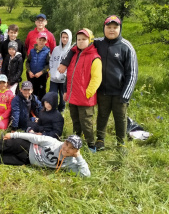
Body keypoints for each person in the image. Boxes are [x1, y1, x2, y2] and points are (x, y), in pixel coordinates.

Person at [59, 15, 138, 151]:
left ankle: (120, 143)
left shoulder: (126, 47)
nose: (111, 30)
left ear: (120, 28)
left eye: (115, 27)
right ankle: (100, 139)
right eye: (109, 27)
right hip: (101, 90)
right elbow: (76, 46)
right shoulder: (98, 42)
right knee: (102, 115)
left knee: (120, 117)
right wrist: (65, 62)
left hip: (119, 91)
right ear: (104, 28)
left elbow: (132, 73)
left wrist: (126, 93)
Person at [0, 134, 91, 177]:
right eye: (67, 144)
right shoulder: (53, 142)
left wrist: (79, 158)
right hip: (24, 146)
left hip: (25, 160)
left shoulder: (72, 162)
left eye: (71, 148)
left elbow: (86, 175)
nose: (66, 149)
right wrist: (13, 135)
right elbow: (33, 137)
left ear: (75, 151)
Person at [63, 29, 102, 152]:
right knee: (75, 121)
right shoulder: (74, 55)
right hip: (73, 96)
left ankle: (91, 144)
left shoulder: (95, 58)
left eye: (84, 39)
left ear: (90, 40)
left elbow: (96, 78)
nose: (80, 42)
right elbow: (69, 76)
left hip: (85, 98)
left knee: (86, 122)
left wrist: (88, 93)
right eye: (78, 39)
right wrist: (66, 92)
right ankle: (76, 140)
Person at [49, 29, 72, 112]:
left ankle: (61, 109)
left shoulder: (71, 50)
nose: (64, 39)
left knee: (63, 96)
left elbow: (71, 64)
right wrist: (51, 71)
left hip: (64, 79)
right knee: (52, 95)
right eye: (63, 37)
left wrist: (65, 74)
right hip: (54, 78)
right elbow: (51, 60)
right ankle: (52, 109)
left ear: (70, 38)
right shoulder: (56, 49)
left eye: (66, 37)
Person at [26, 32, 50, 100]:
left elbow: (49, 65)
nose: (41, 42)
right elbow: (27, 62)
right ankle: (32, 108)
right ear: (36, 40)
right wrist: (29, 71)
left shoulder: (47, 52)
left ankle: (41, 108)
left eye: (43, 40)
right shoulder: (32, 51)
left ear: (46, 41)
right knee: (32, 92)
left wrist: (41, 72)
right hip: (32, 76)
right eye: (40, 40)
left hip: (42, 77)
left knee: (41, 93)